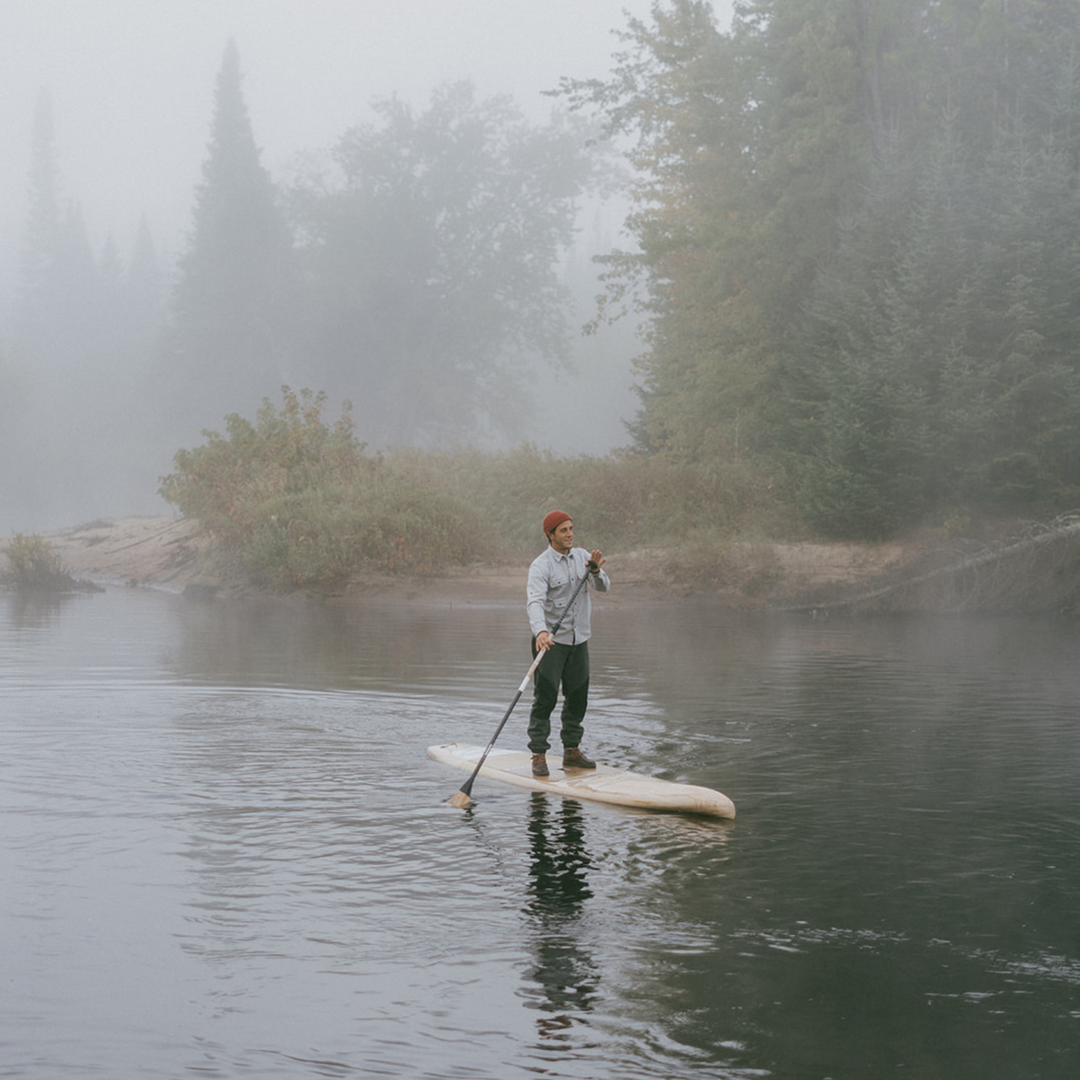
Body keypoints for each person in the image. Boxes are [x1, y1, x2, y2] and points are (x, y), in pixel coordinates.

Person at [525, 510, 610, 777]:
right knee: (545, 700)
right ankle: (538, 754)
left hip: (579, 640)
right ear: (550, 535)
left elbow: (604, 586)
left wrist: (595, 571)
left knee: (577, 699)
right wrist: (540, 632)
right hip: (550, 642)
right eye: (563, 530)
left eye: (571, 528)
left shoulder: (584, 557)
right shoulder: (541, 566)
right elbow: (535, 602)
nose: (570, 534)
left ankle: (571, 751)